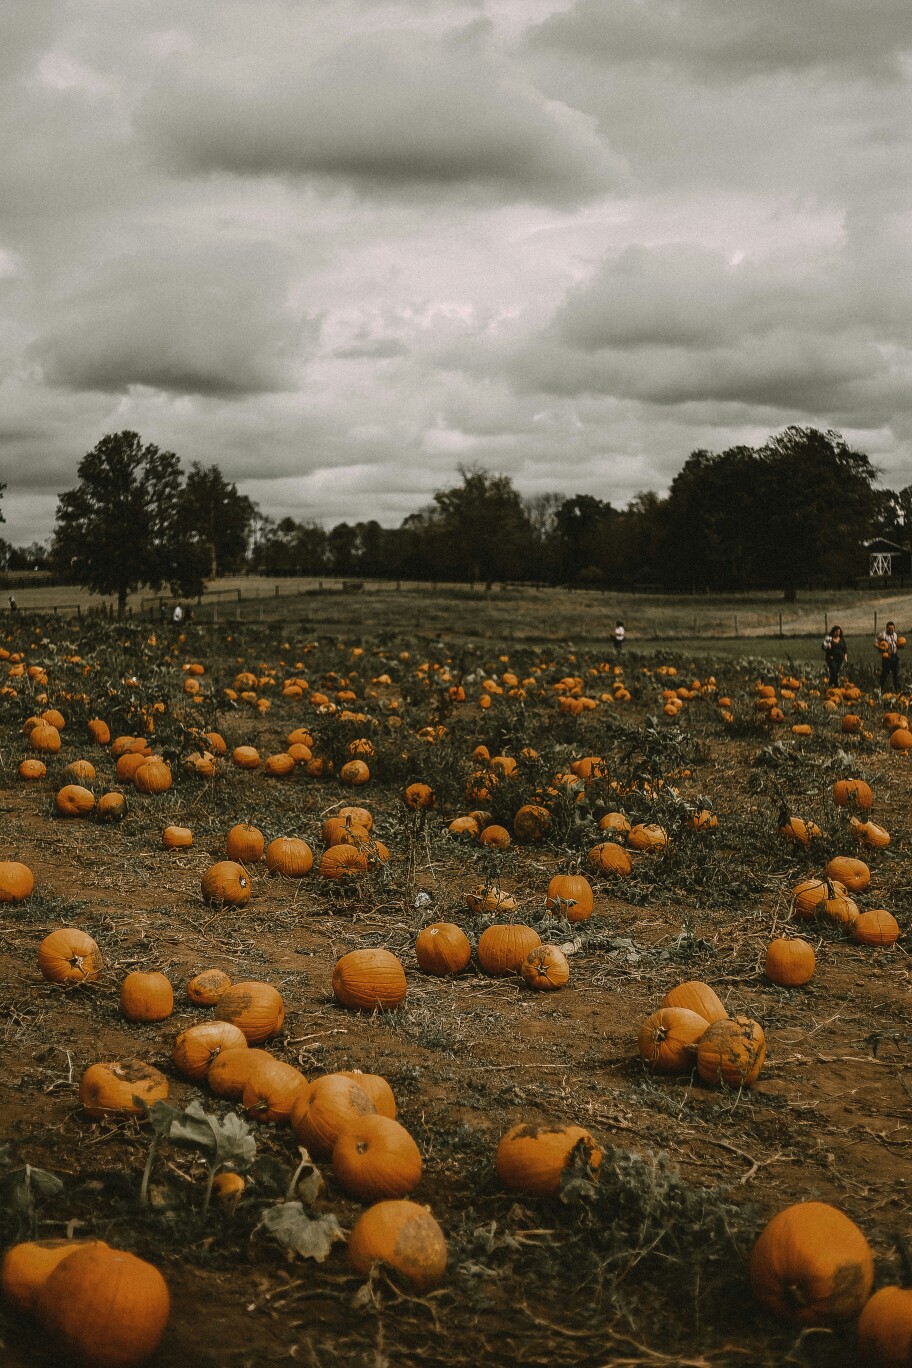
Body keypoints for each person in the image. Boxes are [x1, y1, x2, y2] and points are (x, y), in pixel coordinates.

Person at [878, 621, 902, 694]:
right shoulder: (883, 635)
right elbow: (875, 643)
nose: (891, 630)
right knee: (885, 673)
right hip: (887, 657)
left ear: (894, 628)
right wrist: (882, 648)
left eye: (892, 629)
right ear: (886, 628)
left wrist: (899, 645)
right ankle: (881, 689)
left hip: (895, 656)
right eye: (889, 629)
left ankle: (897, 690)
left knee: (896, 673)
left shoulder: (895, 635)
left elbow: (895, 644)